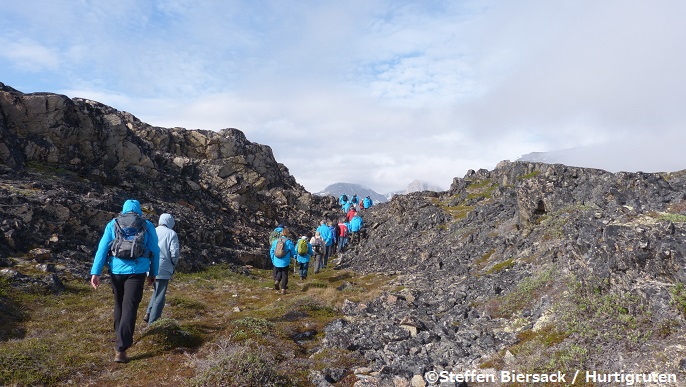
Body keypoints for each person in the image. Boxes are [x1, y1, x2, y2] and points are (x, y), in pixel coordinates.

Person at [90, 199, 160, 364]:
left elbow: (102, 248)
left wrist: (96, 272)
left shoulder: (113, 223)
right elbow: (155, 250)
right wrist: (153, 272)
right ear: (138, 211)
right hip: (137, 271)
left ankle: (119, 337)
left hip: (116, 271)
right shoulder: (146, 224)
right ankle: (121, 348)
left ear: (124, 209)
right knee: (130, 307)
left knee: (119, 305)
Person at [144, 213, 180, 325]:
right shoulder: (171, 234)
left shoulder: (152, 231)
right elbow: (174, 253)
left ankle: (149, 313)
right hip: (164, 267)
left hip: (150, 267)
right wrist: (173, 264)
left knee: (156, 291)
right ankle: (153, 323)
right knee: (160, 295)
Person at [270, 227, 295, 294]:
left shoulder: (275, 241)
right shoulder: (289, 242)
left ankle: (277, 280)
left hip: (276, 260)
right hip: (285, 261)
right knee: (284, 274)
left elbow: (272, 251)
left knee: (279, 271)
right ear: (287, 234)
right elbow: (293, 252)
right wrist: (295, 256)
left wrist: (273, 260)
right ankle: (283, 288)